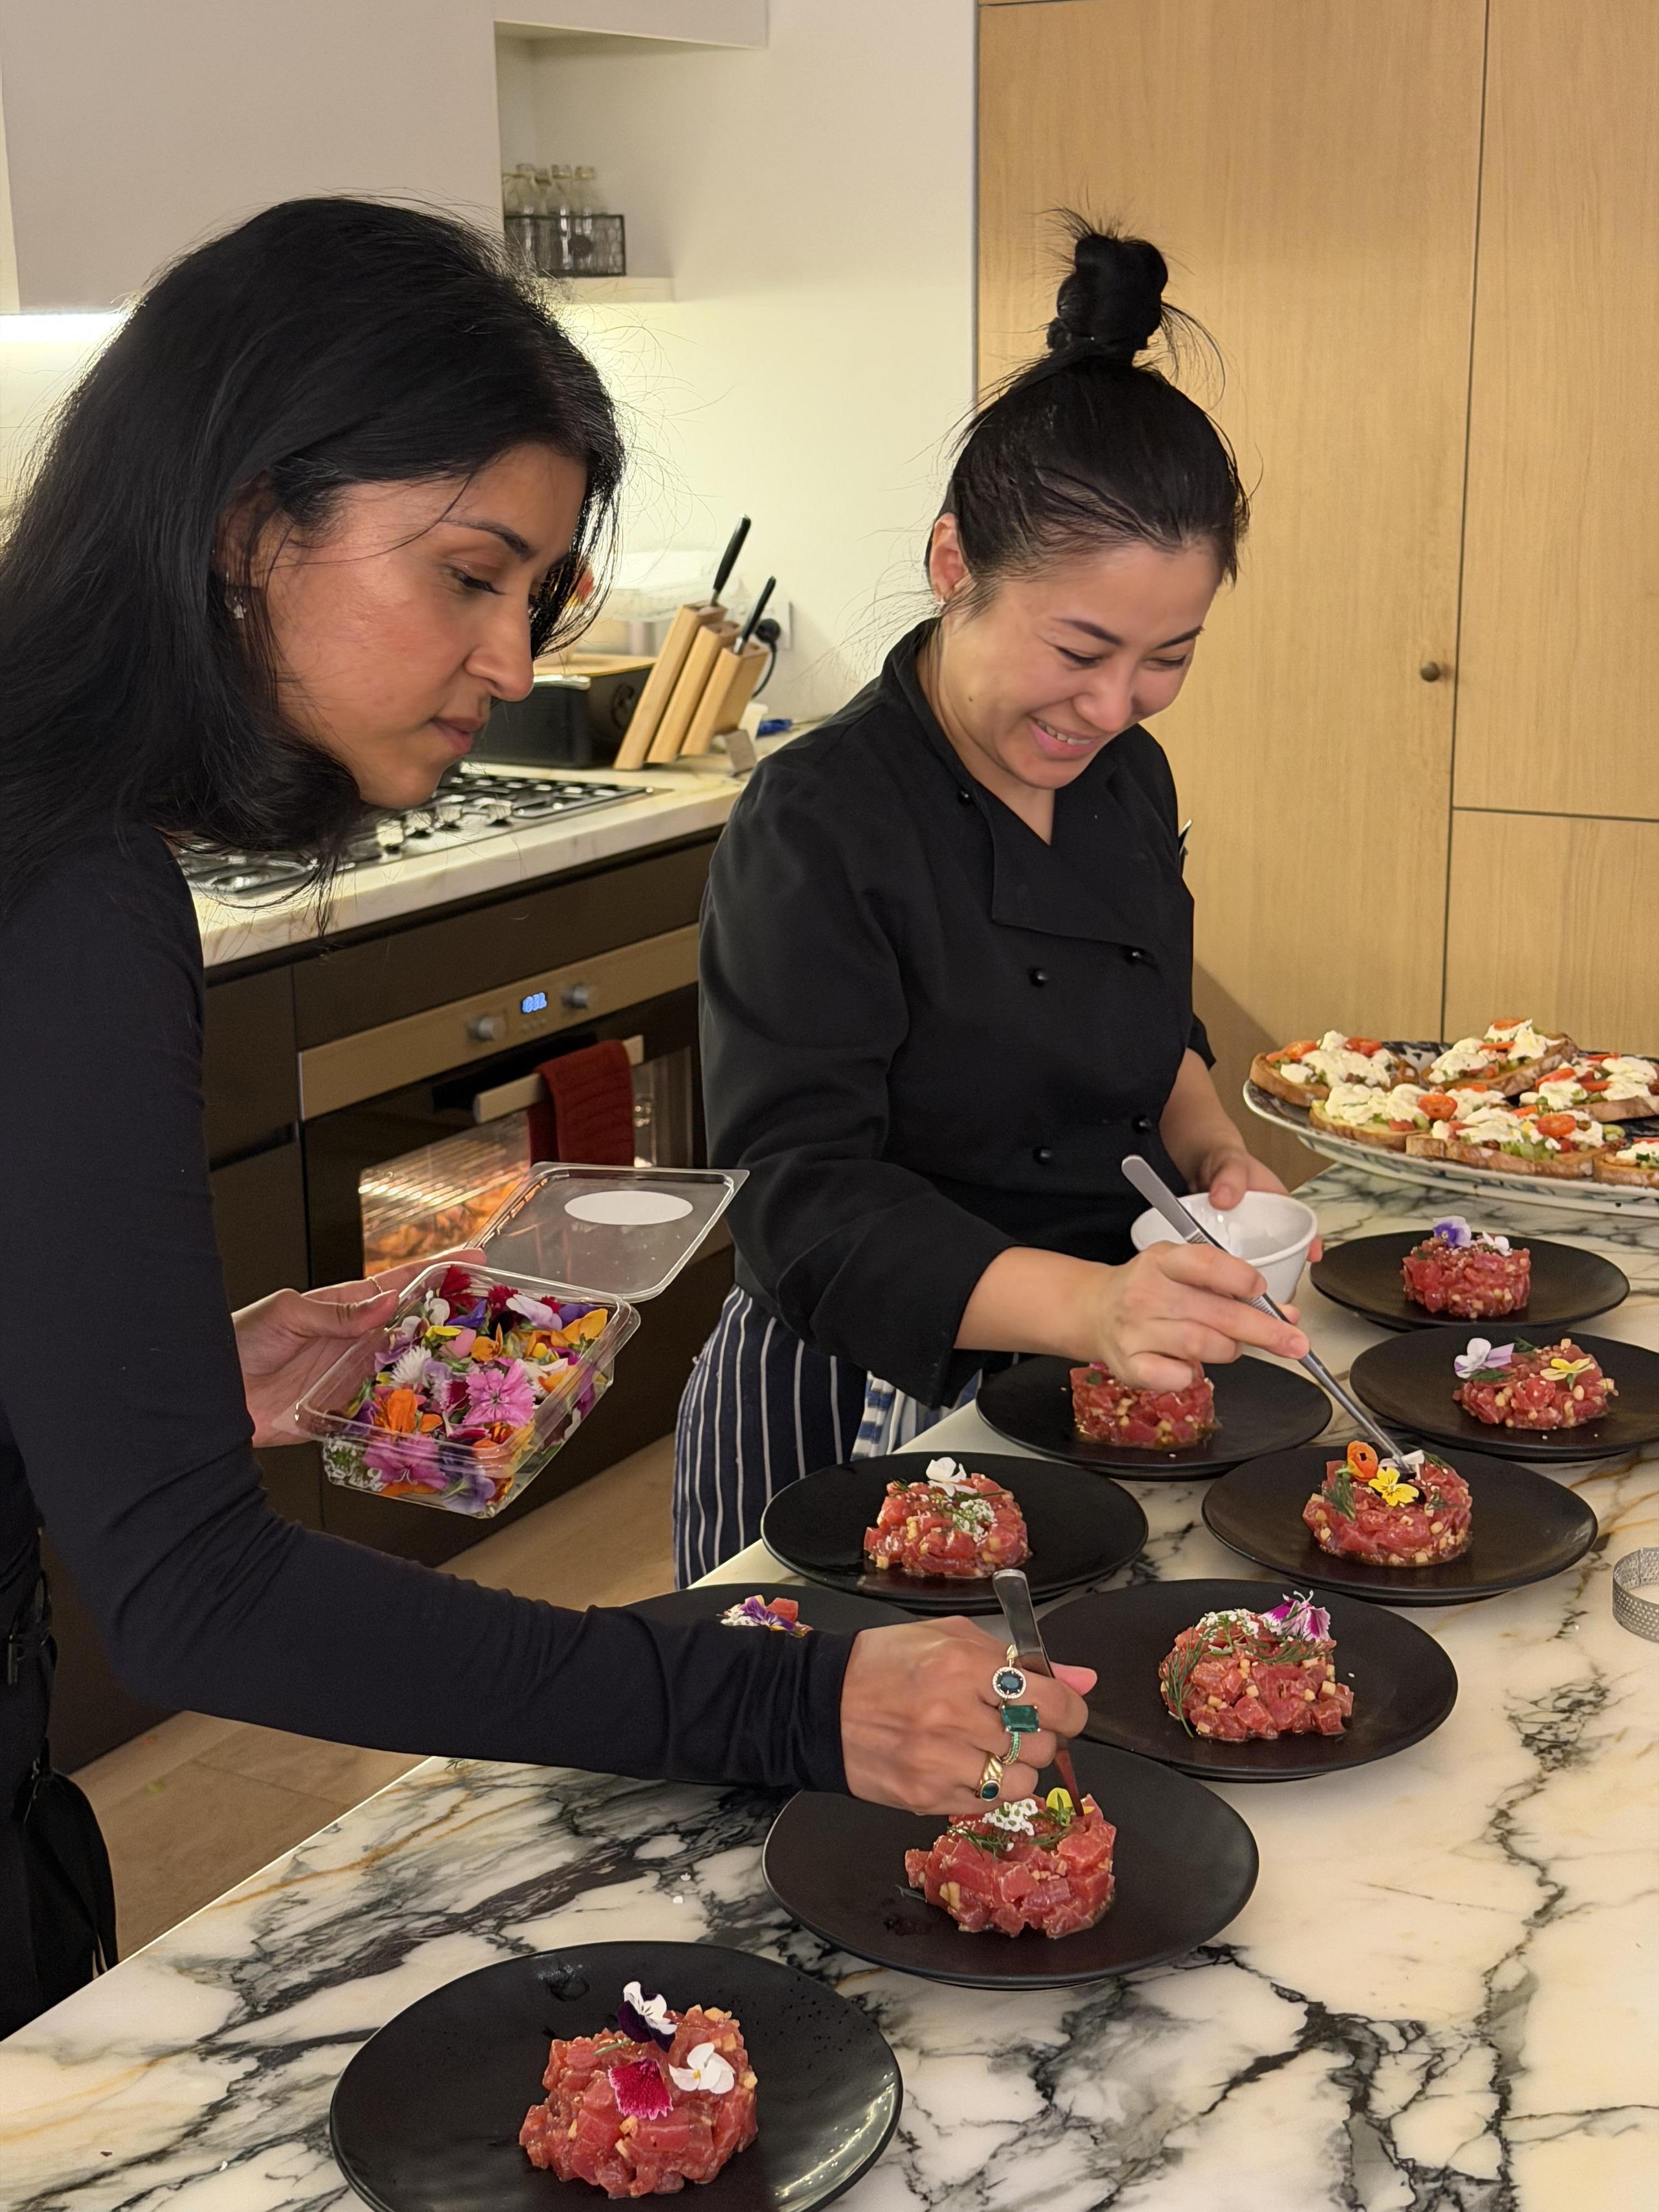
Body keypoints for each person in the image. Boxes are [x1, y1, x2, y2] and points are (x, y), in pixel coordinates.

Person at [0, 199, 1090, 2034]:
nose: (511, 663)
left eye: (543, 595)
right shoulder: (70, 892)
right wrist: (779, 1702)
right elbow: (196, 1594)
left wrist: (127, 1379)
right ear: (251, 527)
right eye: (467, 574)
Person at [676, 225, 1313, 1583]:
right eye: (1080, 649)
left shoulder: (1124, 774)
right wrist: (1093, 1303)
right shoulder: (822, 820)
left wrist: (1215, 1161)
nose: (1111, 705)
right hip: (858, 1393)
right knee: (815, 1773)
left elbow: (1156, 1018)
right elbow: (800, 1198)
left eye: (1167, 658)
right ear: (956, 560)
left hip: (1100, 1359)